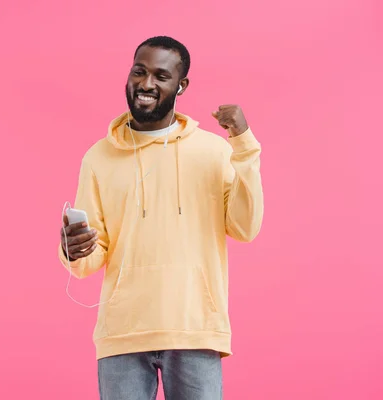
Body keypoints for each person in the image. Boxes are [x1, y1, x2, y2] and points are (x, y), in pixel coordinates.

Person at [58, 36, 264, 400]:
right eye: (139, 72)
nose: (147, 84)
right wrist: (74, 251)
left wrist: (244, 144)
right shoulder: (97, 158)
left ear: (181, 85)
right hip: (122, 334)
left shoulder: (213, 151)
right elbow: (92, 255)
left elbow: (245, 228)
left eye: (161, 76)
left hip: (195, 328)